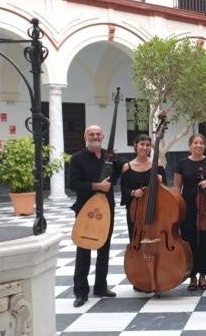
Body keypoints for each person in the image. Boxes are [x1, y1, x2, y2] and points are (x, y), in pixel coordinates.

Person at [70, 125, 121, 307]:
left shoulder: (110, 156)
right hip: (85, 209)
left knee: (104, 249)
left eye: (98, 133)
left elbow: (122, 170)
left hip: (106, 208)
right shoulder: (77, 159)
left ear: (103, 136)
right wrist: (96, 186)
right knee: (83, 249)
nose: (95, 136)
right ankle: (81, 292)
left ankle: (101, 287)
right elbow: (73, 184)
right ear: (85, 137)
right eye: (91, 134)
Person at [173, 133, 206, 291]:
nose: (198, 145)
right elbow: (176, 189)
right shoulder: (182, 163)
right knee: (189, 239)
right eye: (195, 143)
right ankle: (192, 276)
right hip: (188, 206)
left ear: (205, 146)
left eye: (201, 143)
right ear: (190, 145)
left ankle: (203, 276)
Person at [120, 134, 166, 243]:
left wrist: (160, 180)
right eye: (142, 144)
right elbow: (124, 189)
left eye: (148, 145)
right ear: (135, 146)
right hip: (135, 210)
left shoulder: (157, 164)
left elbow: (165, 188)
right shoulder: (127, 166)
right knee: (136, 239)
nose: (145, 148)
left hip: (154, 209)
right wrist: (133, 192)